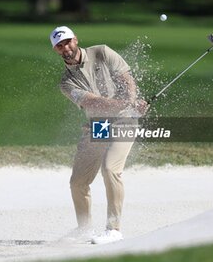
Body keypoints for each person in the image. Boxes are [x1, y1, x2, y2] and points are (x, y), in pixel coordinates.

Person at [49, 26, 148, 244]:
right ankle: (84, 229)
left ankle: (114, 229)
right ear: (56, 50)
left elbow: (126, 79)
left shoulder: (102, 52)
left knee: (110, 168)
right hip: (99, 125)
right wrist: (123, 103)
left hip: (124, 120)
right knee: (78, 182)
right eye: (59, 45)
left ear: (75, 39)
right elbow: (92, 102)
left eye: (67, 42)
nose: (65, 48)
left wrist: (131, 102)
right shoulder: (66, 83)